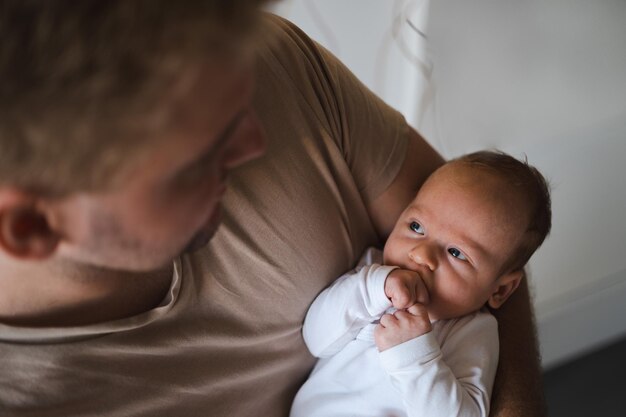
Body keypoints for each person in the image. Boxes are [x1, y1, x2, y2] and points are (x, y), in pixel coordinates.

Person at [0, 2, 545, 416]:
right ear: (30, 227)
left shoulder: (262, 56)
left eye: (241, 98)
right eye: (198, 149)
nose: (256, 143)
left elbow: (488, 230)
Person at [290, 151, 551, 417]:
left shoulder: (473, 333)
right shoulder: (371, 274)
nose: (422, 255)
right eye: (416, 226)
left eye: (456, 253)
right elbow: (315, 339)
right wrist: (371, 289)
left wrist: (415, 357)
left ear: (500, 290)